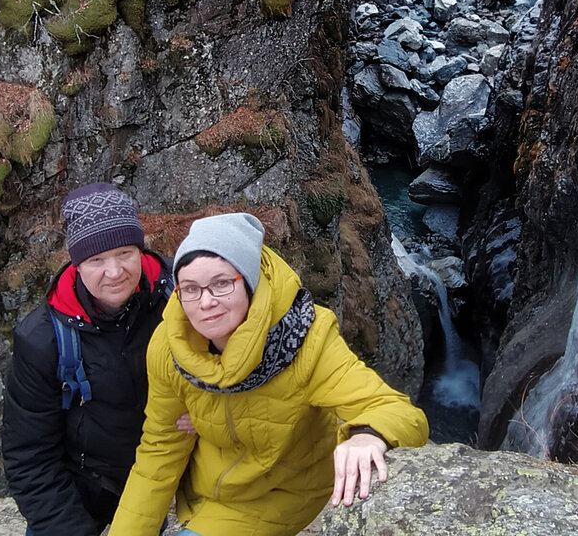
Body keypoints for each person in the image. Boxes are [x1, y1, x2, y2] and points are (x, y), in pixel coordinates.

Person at [111, 211, 429, 536]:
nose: (205, 302)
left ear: (249, 283)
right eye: (190, 288)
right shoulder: (171, 347)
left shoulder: (305, 338)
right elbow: (159, 450)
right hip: (204, 495)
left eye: (221, 283)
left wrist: (367, 435)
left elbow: (398, 411)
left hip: (283, 496)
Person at [2, 184, 172, 536]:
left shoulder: (181, 297)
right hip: (79, 486)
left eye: (125, 252)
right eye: (96, 259)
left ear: (140, 250)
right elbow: (30, 454)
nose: (114, 272)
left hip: (158, 476)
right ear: (77, 264)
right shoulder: (43, 338)